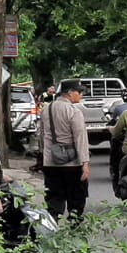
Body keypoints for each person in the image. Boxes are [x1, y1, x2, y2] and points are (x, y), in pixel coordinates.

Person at [41, 80, 91, 220]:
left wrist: (43, 157)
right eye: (79, 92)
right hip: (72, 163)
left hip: (51, 161)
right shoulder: (73, 111)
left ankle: (53, 222)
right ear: (69, 93)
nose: (81, 95)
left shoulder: (46, 109)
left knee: (54, 196)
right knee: (76, 196)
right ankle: (74, 222)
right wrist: (85, 163)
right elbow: (80, 139)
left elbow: (42, 136)